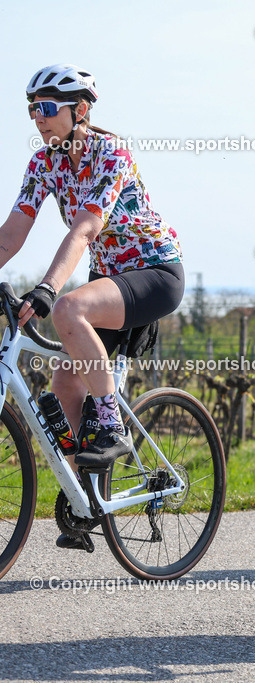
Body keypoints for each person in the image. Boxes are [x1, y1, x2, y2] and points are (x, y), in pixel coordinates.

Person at [0, 64, 184, 548]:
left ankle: (112, 423)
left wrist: (46, 287)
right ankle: (89, 501)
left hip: (154, 272)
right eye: (31, 109)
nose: (37, 118)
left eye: (46, 108)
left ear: (80, 110)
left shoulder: (112, 153)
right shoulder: (44, 163)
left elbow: (84, 229)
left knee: (65, 310)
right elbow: (12, 233)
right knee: (62, 385)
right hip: (108, 281)